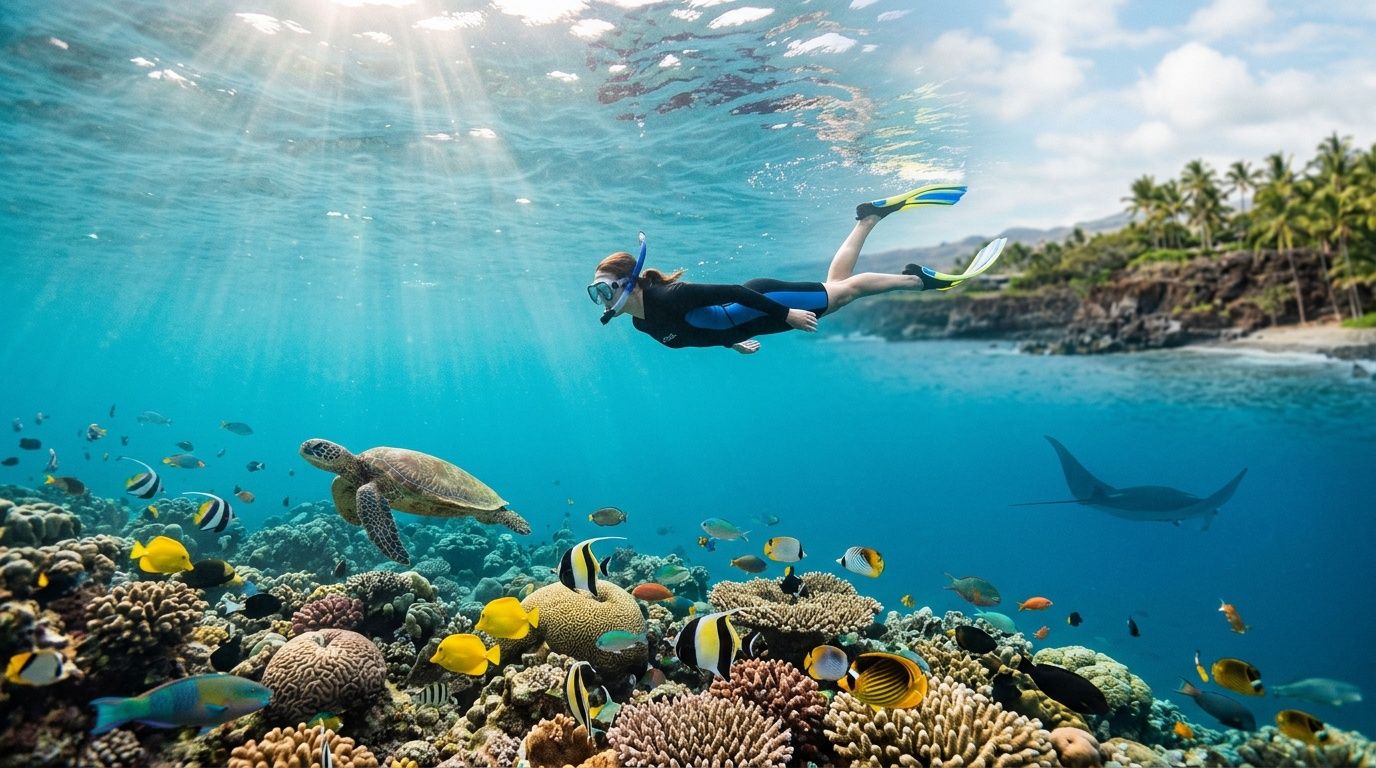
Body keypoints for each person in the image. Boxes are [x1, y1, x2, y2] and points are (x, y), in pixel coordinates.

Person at [587, 185, 1006, 353]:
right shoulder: (642, 324)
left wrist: (784, 313)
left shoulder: (668, 295)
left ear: (632, 283)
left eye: (605, 289)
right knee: (836, 289)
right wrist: (731, 343)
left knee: (848, 291)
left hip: (768, 303)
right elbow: (698, 331)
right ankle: (868, 217)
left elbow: (735, 291)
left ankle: (919, 280)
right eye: (597, 294)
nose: (602, 300)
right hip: (759, 321)